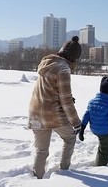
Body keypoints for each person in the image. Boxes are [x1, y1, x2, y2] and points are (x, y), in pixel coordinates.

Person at [28, 36, 82, 179]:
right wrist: (76, 123)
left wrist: (66, 98)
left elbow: (51, 89)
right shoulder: (63, 69)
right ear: (74, 58)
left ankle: (36, 179)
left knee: (41, 150)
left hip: (35, 112)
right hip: (52, 114)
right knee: (70, 138)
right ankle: (64, 172)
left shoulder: (47, 62)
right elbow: (66, 101)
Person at [78, 76, 108, 166]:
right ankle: (100, 166)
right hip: (104, 131)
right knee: (103, 150)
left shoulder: (92, 102)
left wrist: (82, 129)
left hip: (94, 128)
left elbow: (86, 116)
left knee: (104, 142)